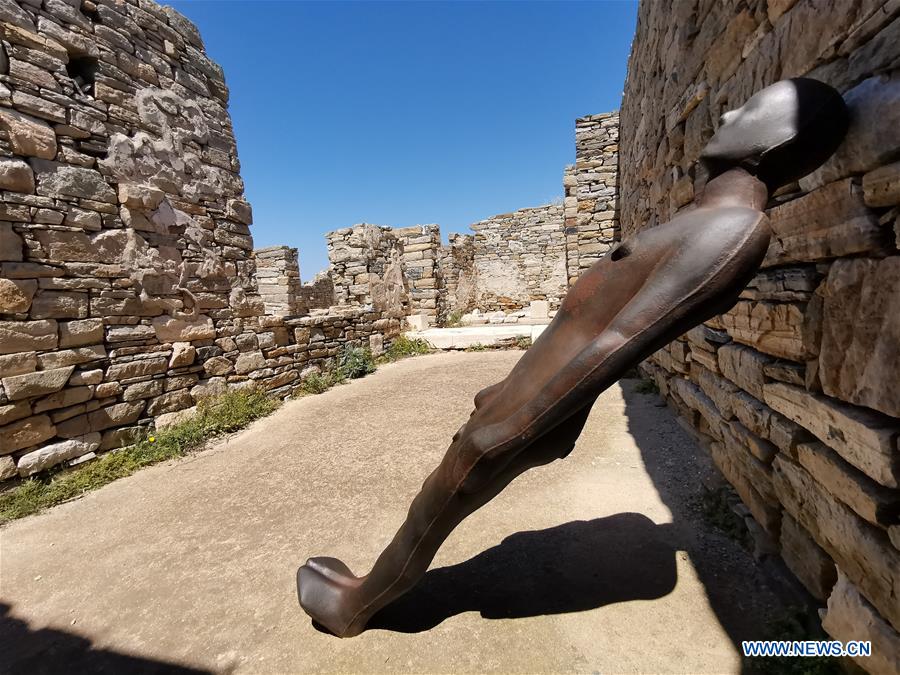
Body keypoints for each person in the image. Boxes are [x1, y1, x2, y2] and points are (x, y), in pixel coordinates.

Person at [296, 78, 849, 638]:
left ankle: (356, 606)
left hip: (531, 410)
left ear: (775, 141)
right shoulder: (704, 221)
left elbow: (621, 342)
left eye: (750, 109)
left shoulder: (732, 229)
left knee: (438, 501)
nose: (729, 111)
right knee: (439, 496)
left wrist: (512, 426)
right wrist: (506, 396)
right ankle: (363, 592)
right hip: (525, 396)